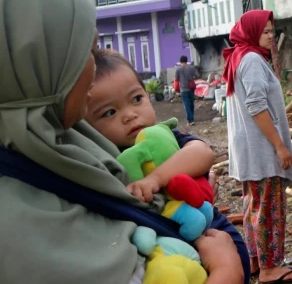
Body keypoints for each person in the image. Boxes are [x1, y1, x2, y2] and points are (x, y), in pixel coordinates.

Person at [0, 0, 246, 284]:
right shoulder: (11, 230)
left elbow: (198, 155)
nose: (93, 67)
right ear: (29, 68)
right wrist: (227, 271)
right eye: (82, 50)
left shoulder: (64, 139)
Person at [223, 10, 292, 284]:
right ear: (252, 32)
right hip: (261, 148)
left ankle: (256, 261)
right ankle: (270, 268)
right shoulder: (253, 60)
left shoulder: (239, 57)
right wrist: (280, 146)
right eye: (266, 31)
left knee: (253, 206)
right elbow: (256, 106)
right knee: (268, 207)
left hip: (248, 150)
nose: (271, 36)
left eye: (272, 31)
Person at [86, 48, 214, 204]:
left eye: (136, 99)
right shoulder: (105, 161)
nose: (130, 115)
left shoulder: (163, 137)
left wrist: (155, 179)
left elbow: (203, 152)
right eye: (109, 112)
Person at [175, 55, 200, 126]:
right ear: (186, 61)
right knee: (191, 104)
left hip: (183, 89)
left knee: (186, 105)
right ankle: (192, 118)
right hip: (191, 89)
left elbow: (176, 79)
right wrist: (192, 78)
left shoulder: (178, 70)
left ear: (180, 62)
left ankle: (190, 120)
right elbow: (197, 75)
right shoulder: (191, 68)